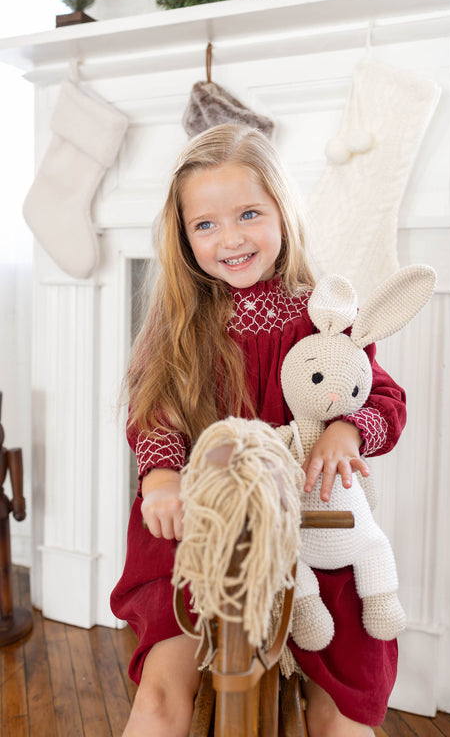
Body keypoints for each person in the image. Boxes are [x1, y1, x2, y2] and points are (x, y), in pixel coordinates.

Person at [111, 124, 407, 737]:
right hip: (200, 520)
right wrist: (162, 479)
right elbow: (155, 413)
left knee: (345, 699)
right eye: (207, 224)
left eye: (249, 213)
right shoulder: (182, 323)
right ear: (185, 236)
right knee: (162, 690)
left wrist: (346, 431)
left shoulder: (322, 315)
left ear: (282, 211)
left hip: (307, 519)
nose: (231, 238)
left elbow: (380, 394)